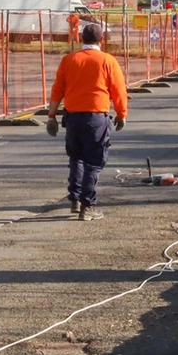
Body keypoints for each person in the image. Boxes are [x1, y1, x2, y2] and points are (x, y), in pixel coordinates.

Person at [45, 23, 128, 221]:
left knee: (76, 157)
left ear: (81, 39)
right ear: (101, 40)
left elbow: (58, 89)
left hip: (72, 116)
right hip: (96, 116)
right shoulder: (108, 60)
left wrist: (51, 115)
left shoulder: (69, 60)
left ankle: (74, 199)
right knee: (93, 161)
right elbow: (118, 90)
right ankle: (87, 205)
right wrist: (121, 113)